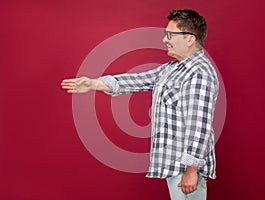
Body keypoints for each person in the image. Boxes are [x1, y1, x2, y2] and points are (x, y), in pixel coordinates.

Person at [61, 9, 219, 200]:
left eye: (170, 34)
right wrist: (93, 83)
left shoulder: (198, 73)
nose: (164, 40)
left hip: (185, 169)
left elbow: (198, 125)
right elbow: (138, 80)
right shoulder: (173, 69)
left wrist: (192, 170)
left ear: (190, 38)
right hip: (175, 167)